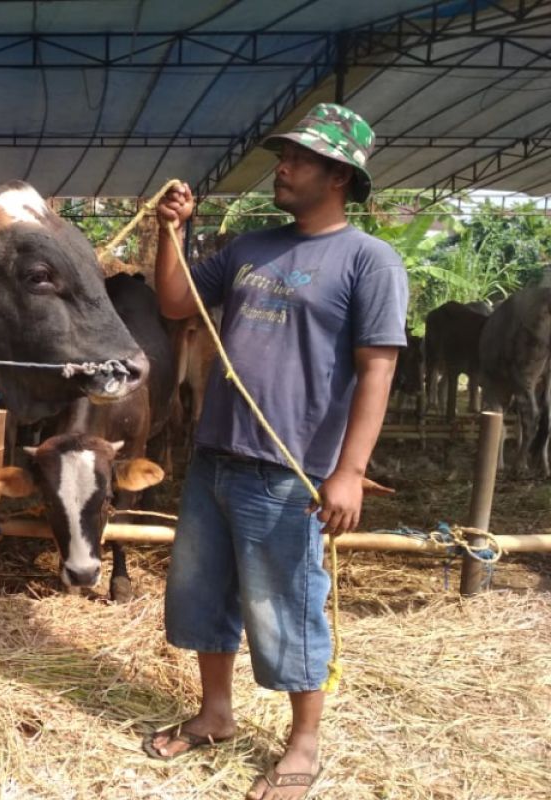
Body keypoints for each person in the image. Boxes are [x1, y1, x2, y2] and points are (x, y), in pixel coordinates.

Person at [146, 104, 409, 800]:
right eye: (284, 155)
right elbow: (176, 304)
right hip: (216, 454)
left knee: (285, 606)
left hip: (291, 472)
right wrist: (167, 232)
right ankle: (215, 714)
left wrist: (348, 472)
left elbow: (377, 368)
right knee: (201, 597)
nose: (282, 168)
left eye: (299, 159)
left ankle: (303, 745)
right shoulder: (249, 248)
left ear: (340, 176)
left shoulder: (369, 261)